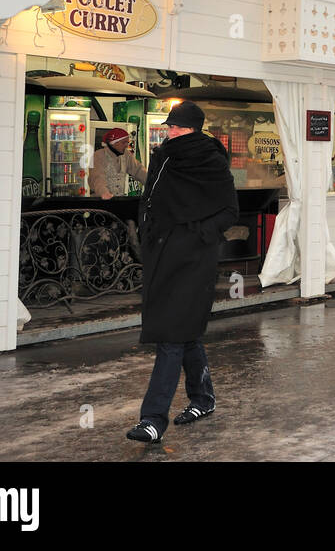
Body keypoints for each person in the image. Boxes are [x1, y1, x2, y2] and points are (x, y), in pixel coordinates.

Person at [127, 101, 238, 444]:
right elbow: (150, 199)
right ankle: (203, 399)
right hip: (162, 256)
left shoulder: (211, 161)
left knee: (171, 336)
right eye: (169, 127)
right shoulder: (165, 157)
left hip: (194, 260)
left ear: (192, 129)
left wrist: (198, 235)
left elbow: (229, 211)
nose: (170, 131)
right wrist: (147, 235)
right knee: (185, 332)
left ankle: (152, 419)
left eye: (176, 127)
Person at [90, 127, 147, 199]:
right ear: (114, 143)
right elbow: (97, 177)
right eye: (124, 143)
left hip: (119, 200)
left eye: (127, 142)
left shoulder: (126, 154)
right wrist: (104, 192)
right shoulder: (98, 155)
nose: (126, 145)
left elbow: (138, 170)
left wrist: (153, 184)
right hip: (102, 201)